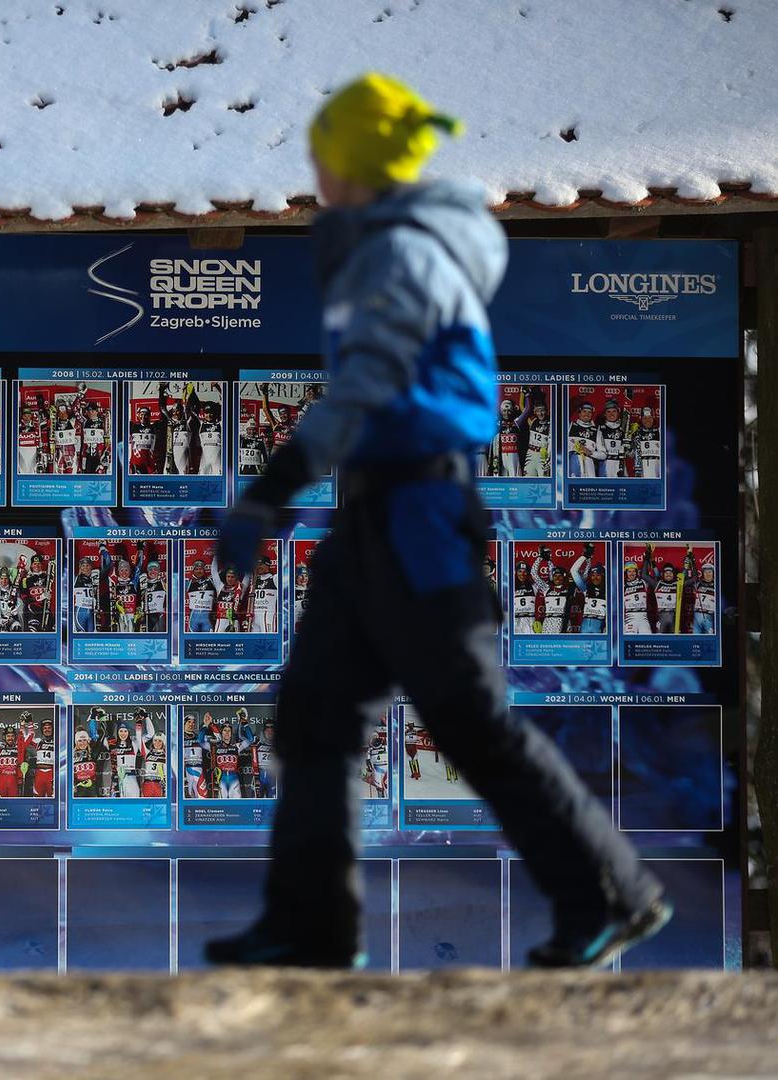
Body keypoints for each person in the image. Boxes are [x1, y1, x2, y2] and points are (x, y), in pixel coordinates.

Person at [208, 73, 665, 970]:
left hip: (416, 516)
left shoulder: (400, 255)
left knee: (470, 720)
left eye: (319, 154)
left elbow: (367, 383)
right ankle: (309, 928)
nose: (312, 172)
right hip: (371, 517)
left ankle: (612, 897)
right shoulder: (379, 246)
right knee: (314, 720)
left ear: (349, 161)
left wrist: (272, 488)